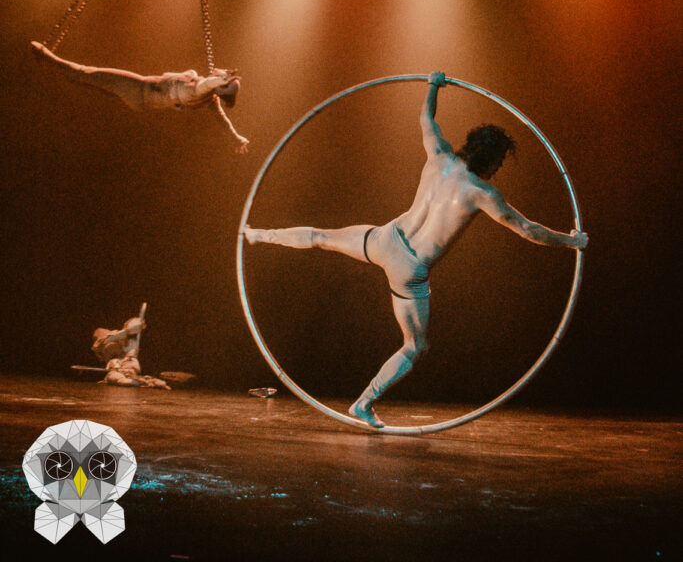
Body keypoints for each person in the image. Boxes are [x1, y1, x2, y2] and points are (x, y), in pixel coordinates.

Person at [245, 71, 588, 428]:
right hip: (409, 269)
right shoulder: (482, 193)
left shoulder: (439, 155)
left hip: (386, 239)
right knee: (415, 346)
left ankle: (258, 235)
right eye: (499, 163)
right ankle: (364, 403)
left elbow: (426, 118)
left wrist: (433, 85)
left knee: (320, 236)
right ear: (492, 160)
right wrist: (571, 241)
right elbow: (528, 230)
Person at [31, 41, 249, 151]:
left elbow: (208, 84)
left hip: (137, 89)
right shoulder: (210, 100)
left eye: (223, 77)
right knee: (94, 84)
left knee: (87, 72)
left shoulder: (200, 89)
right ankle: (58, 70)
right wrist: (236, 138)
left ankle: (46, 57)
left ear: (220, 85)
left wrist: (221, 79)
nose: (223, 70)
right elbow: (223, 122)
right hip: (140, 101)